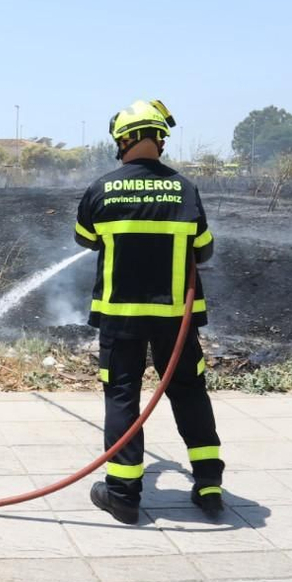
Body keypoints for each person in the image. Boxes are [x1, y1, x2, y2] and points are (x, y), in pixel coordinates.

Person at [74, 98, 224, 524]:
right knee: (190, 393)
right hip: (176, 320)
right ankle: (209, 485)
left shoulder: (102, 189)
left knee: (123, 395)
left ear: (122, 140)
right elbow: (205, 250)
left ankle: (122, 494)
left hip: (120, 317)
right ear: (159, 139)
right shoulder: (185, 189)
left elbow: (85, 239)